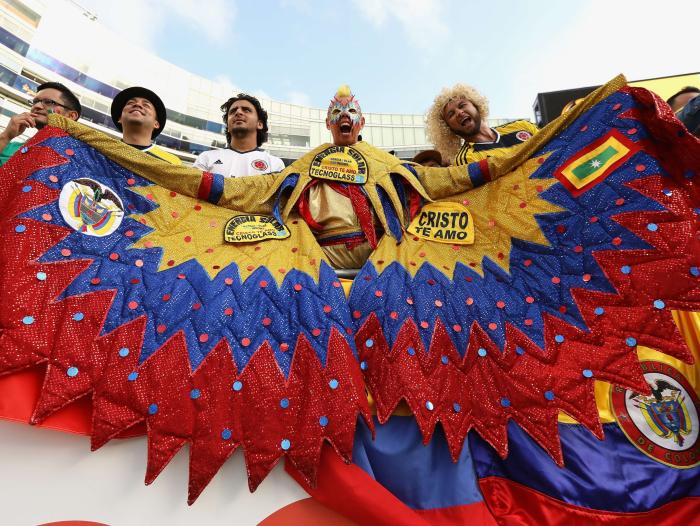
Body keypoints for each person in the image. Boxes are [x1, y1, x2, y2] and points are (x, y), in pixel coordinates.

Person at [426, 83, 538, 165]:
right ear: (448, 128)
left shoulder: (523, 126)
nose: (459, 113)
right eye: (451, 114)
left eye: (462, 105)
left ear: (476, 105)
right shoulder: (465, 160)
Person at [193, 93, 284, 177]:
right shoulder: (206, 158)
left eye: (246, 110)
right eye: (233, 111)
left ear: (259, 124)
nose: (238, 112)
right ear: (228, 126)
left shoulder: (275, 164)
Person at [0, 81, 81, 166]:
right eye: (35, 102)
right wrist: (6, 136)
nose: (36, 106)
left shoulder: (78, 160)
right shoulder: (7, 146)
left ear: (71, 116)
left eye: (49, 102)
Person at [110, 86, 181, 165]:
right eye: (130, 103)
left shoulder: (172, 163)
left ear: (156, 124)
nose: (137, 104)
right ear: (120, 118)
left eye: (146, 105)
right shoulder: (103, 150)